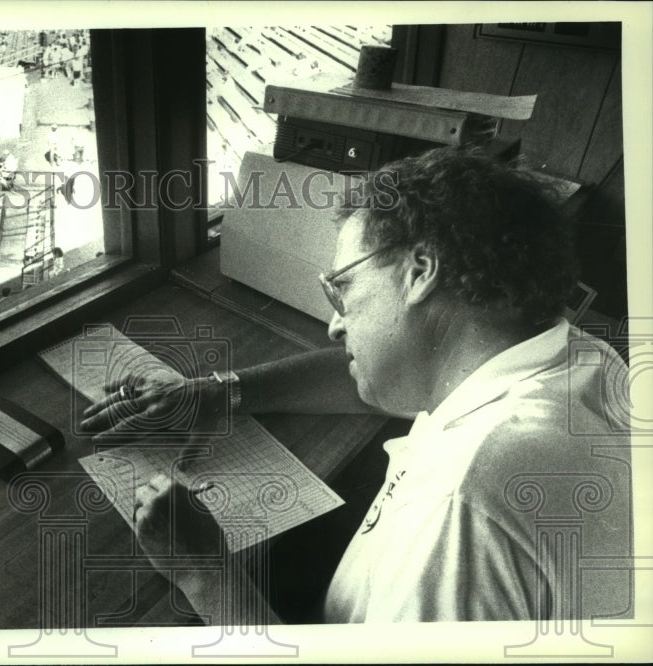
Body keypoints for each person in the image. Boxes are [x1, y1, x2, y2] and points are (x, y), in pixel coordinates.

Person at [81, 146, 632, 623]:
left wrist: (202, 571)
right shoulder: (577, 357)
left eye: (343, 289)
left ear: (420, 271)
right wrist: (219, 392)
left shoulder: (460, 507)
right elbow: (381, 379)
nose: (335, 323)